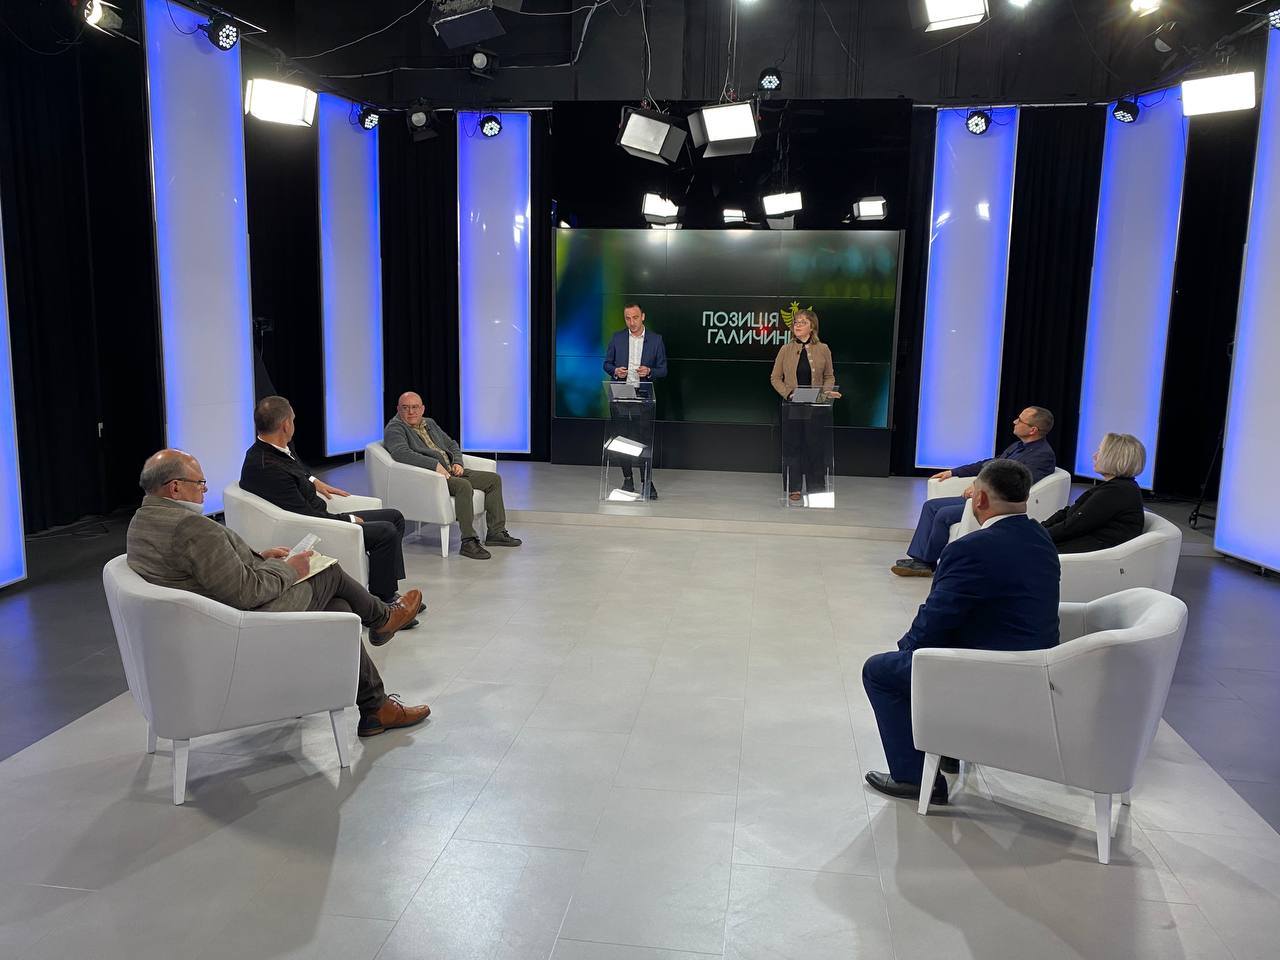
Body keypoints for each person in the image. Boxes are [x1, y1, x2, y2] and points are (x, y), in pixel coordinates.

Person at [127, 450, 430, 739]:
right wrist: (290, 570)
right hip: (245, 622)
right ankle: (383, 618)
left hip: (210, 624)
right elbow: (246, 593)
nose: (204, 490)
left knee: (339, 609)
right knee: (328, 571)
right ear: (175, 487)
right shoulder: (190, 527)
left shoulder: (142, 521)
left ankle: (375, 708)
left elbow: (205, 572)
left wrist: (259, 558)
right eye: (200, 483)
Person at [863, 459, 1061, 805]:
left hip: (992, 670)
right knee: (933, 652)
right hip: (1038, 665)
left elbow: (936, 617)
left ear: (979, 499)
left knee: (881, 671)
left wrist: (906, 652)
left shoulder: (971, 549)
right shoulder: (1041, 538)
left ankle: (913, 778)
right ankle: (948, 748)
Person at [240, 396, 414, 611]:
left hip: (320, 514)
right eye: (293, 420)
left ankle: (386, 588)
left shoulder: (274, 448)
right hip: (317, 525)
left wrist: (313, 481)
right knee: (385, 531)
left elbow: (298, 470)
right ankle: (385, 602)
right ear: (285, 424)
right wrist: (349, 519)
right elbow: (305, 515)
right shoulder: (268, 467)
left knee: (395, 517)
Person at [892, 405, 1057, 576]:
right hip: (984, 496)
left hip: (997, 504)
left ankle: (928, 563)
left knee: (943, 514)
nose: (1015, 421)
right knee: (931, 506)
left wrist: (979, 487)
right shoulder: (1018, 446)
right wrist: (954, 472)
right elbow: (991, 463)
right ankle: (920, 560)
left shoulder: (1042, 455)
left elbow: (1015, 484)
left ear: (1033, 430)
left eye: (1020, 420)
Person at [383, 392, 522, 560]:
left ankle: (496, 533)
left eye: (415, 407)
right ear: (398, 409)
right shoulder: (395, 428)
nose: (411, 412)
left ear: (422, 409)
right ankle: (468, 541)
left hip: (451, 471)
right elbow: (401, 453)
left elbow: (451, 444)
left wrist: (457, 462)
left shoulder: (429, 423)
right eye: (405, 408)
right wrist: (435, 466)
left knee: (493, 480)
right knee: (464, 486)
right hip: (432, 478)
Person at [769, 309, 841, 501]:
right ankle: (793, 488)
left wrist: (826, 393)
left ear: (812, 326)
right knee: (793, 446)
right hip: (792, 405)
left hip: (816, 406)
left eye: (803, 322)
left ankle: (816, 488)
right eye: (796, 322)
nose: (797, 325)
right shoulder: (786, 349)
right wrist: (789, 393)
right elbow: (775, 378)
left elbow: (829, 376)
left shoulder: (823, 349)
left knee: (814, 446)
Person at [603, 303, 667, 499]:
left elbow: (663, 370)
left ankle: (646, 481)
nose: (632, 322)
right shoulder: (617, 338)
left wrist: (650, 371)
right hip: (621, 394)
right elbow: (607, 364)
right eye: (628, 318)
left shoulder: (655, 340)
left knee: (643, 440)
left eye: (635, 317)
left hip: (644, 395)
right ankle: (628, 479)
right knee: (622, 438)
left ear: (643, 316)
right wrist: (615, 371)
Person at [1043, 432, 1146, 553]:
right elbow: (1069, 514)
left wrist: (1037, 534)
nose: (1095, 456)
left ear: (1114, 458)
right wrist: (1038, 528)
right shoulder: (1117, 487)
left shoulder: (1117, 492)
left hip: (1092, 554)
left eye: (1100, 452)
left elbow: (1074, 526)